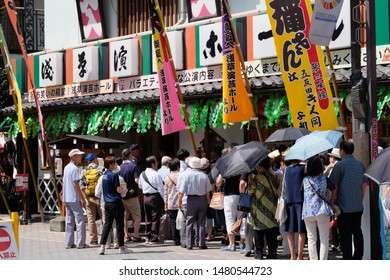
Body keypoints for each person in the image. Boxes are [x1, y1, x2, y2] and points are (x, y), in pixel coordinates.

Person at [329, 140, 366, 260]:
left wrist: (332, 201)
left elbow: (334, 185)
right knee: (357, 232)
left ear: (342, 151)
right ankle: (358, 257)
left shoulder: (339, 165)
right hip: (357, 205)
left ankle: (348, 258)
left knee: (346, 234)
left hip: (344, 206)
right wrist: (360, 199)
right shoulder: (360, 164)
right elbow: (363, 185)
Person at [302, 156, 335, 260]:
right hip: (322, 210)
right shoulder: (325, 179)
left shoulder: (305, 180)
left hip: (308, 211)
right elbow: (333, 188)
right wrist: (331, 200)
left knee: (311, 239)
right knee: (324, 238)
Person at [215, 143, 245, 252]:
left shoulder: (226, 164)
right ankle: (242, 243)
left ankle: (232, 244)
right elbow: (244, 182)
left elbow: (218, 182)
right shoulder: (243, 163)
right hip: (242, 196)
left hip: (229, 195)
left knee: (230, 219)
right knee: (241, 219)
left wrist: (222, 180)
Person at [248, 156, 280, 259]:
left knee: (259, 231)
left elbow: (250, 191)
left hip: (259, 208)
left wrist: (250, 181)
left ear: (261, 166)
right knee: (271, 231)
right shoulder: (275, 175)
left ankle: (259, 252)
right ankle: (273, 252)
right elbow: (277, 186)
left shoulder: (257, 178)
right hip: (272, 207)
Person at [177, 157, 212, 250]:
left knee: (189, 222)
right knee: (201, 222)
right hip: (202, 199)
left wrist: (179, 201)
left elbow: (181, 191)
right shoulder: (204, 176)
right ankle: (201, 243)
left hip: (191, 199)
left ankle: (189, 244)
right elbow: (208, 190)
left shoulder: (186, 175)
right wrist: (208, 201)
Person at [98, 156, 129, 255]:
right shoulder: (114, 175)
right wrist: (125, 190)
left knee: (107, 225)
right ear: (111, 164)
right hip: (116, 202)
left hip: (106, 202)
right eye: (114, 163)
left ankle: (102, 247)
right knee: (119, 225)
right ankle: (121, 247)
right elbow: (118, 190)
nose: (115, 165)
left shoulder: (104, 176)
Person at [62, 149, 88, 249]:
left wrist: (63, 196)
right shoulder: (74, 169)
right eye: (79, 155)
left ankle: (69, 243)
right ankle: (80, 243)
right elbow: (76, 184)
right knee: (80, 220)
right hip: (74, 197)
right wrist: (83, 198)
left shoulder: (66, 168)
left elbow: (64, 183)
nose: (81, 157)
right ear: (74, 156)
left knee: (69, 221)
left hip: (67, 197)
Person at [139, 156, 165, 244]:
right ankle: (154, 238)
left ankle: (147, 236)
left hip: (145, 197)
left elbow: (140, 186)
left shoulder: (142, 174)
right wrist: (164, 200)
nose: (157, 164)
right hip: (155, 197)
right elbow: (161, 189)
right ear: (153, 164)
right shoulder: (156, 174)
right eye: (156, 162)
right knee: (155, 218)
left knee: (148, 217)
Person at [119, 148, 143, 243]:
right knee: (137, 216)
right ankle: (136, 236)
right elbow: (137, 180)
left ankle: (126, 235)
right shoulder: (133, 167)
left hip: (122, 195)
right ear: (130, 156)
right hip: (132, 195)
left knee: (124, 216)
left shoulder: (119, 167)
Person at [284, 159, 306, 260]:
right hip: (300, 201)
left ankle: (293, 255)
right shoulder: (302, 169)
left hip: (289, 201)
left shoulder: (286, 169)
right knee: (301, 230)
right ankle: (300, 255)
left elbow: (284, 186)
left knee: (290, 230)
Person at [80, 153, 104, 245]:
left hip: (89, 197)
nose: (98, 160)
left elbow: (81, 185)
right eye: (97, 159)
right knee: (104, 218)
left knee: (91, 219)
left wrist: (85, 196)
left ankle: (93, 239)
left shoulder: (84, 171)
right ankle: (106, 238)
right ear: (94, 160)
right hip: (100, 197)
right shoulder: (101, 169)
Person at [164, 158, 181, 246]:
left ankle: (175, 239)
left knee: (173, 221)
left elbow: (165, 192)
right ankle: (183, 237)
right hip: (181, 202)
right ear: (178, 166)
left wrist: (165, 204)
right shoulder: (182, 175)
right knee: (183, 220)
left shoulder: (167, 178)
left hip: (171, 202)